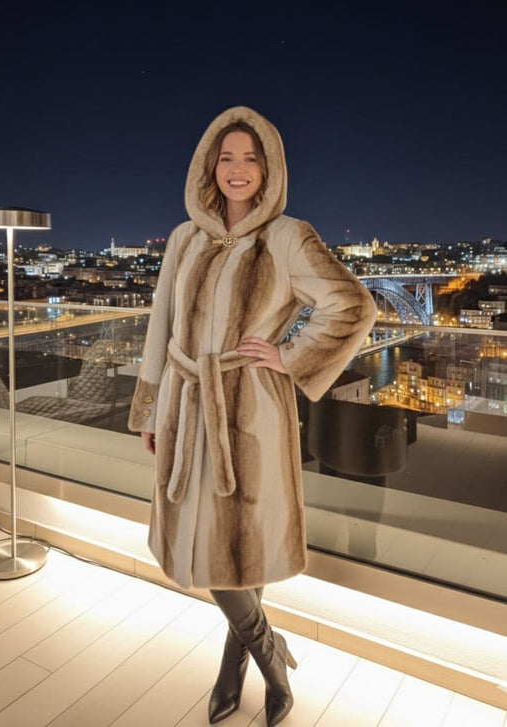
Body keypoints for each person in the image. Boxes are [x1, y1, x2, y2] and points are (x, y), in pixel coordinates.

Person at [128, 106, 377, 726]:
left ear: (269, 170)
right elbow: (160, 327)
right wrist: (151, 411)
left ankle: (248, 663)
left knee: (240, 546)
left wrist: (289, 355)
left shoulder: (288, 236)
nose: (237, 169)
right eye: (226, 157)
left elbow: (352, 305)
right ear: (208, 166)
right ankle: (268, 655)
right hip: (188, 405)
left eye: (250, 158)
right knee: (214, 551)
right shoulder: (184, 238)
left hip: (252, 412)